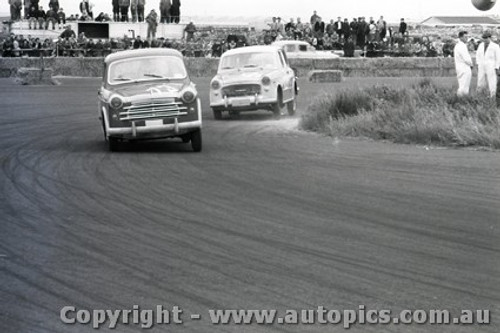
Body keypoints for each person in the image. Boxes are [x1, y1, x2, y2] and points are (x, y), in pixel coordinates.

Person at [476, 30, 500, 97]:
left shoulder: (495, 46)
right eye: (484, 38)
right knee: (480, 80)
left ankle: (492, 95)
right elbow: (477, 55)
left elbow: (498, 58)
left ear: (490, 38)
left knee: (492, 81)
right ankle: (479, 95)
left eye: (486, 38)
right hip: (482, 65)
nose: (485, 40)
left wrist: (497, 67)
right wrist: (477, 64)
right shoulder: (480, 45)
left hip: (491, 66)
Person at [454, 31, 473, 96]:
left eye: (467, 37)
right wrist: (471, 64)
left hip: (460, 67)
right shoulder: (462, 46)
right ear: (460, 37)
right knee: (464, 86)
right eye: (465, 37)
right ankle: (461, 100)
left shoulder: (458, 45)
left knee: (462, 84)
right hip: (464, 67)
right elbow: (466, 59)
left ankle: (460, 99)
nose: (467, 38)